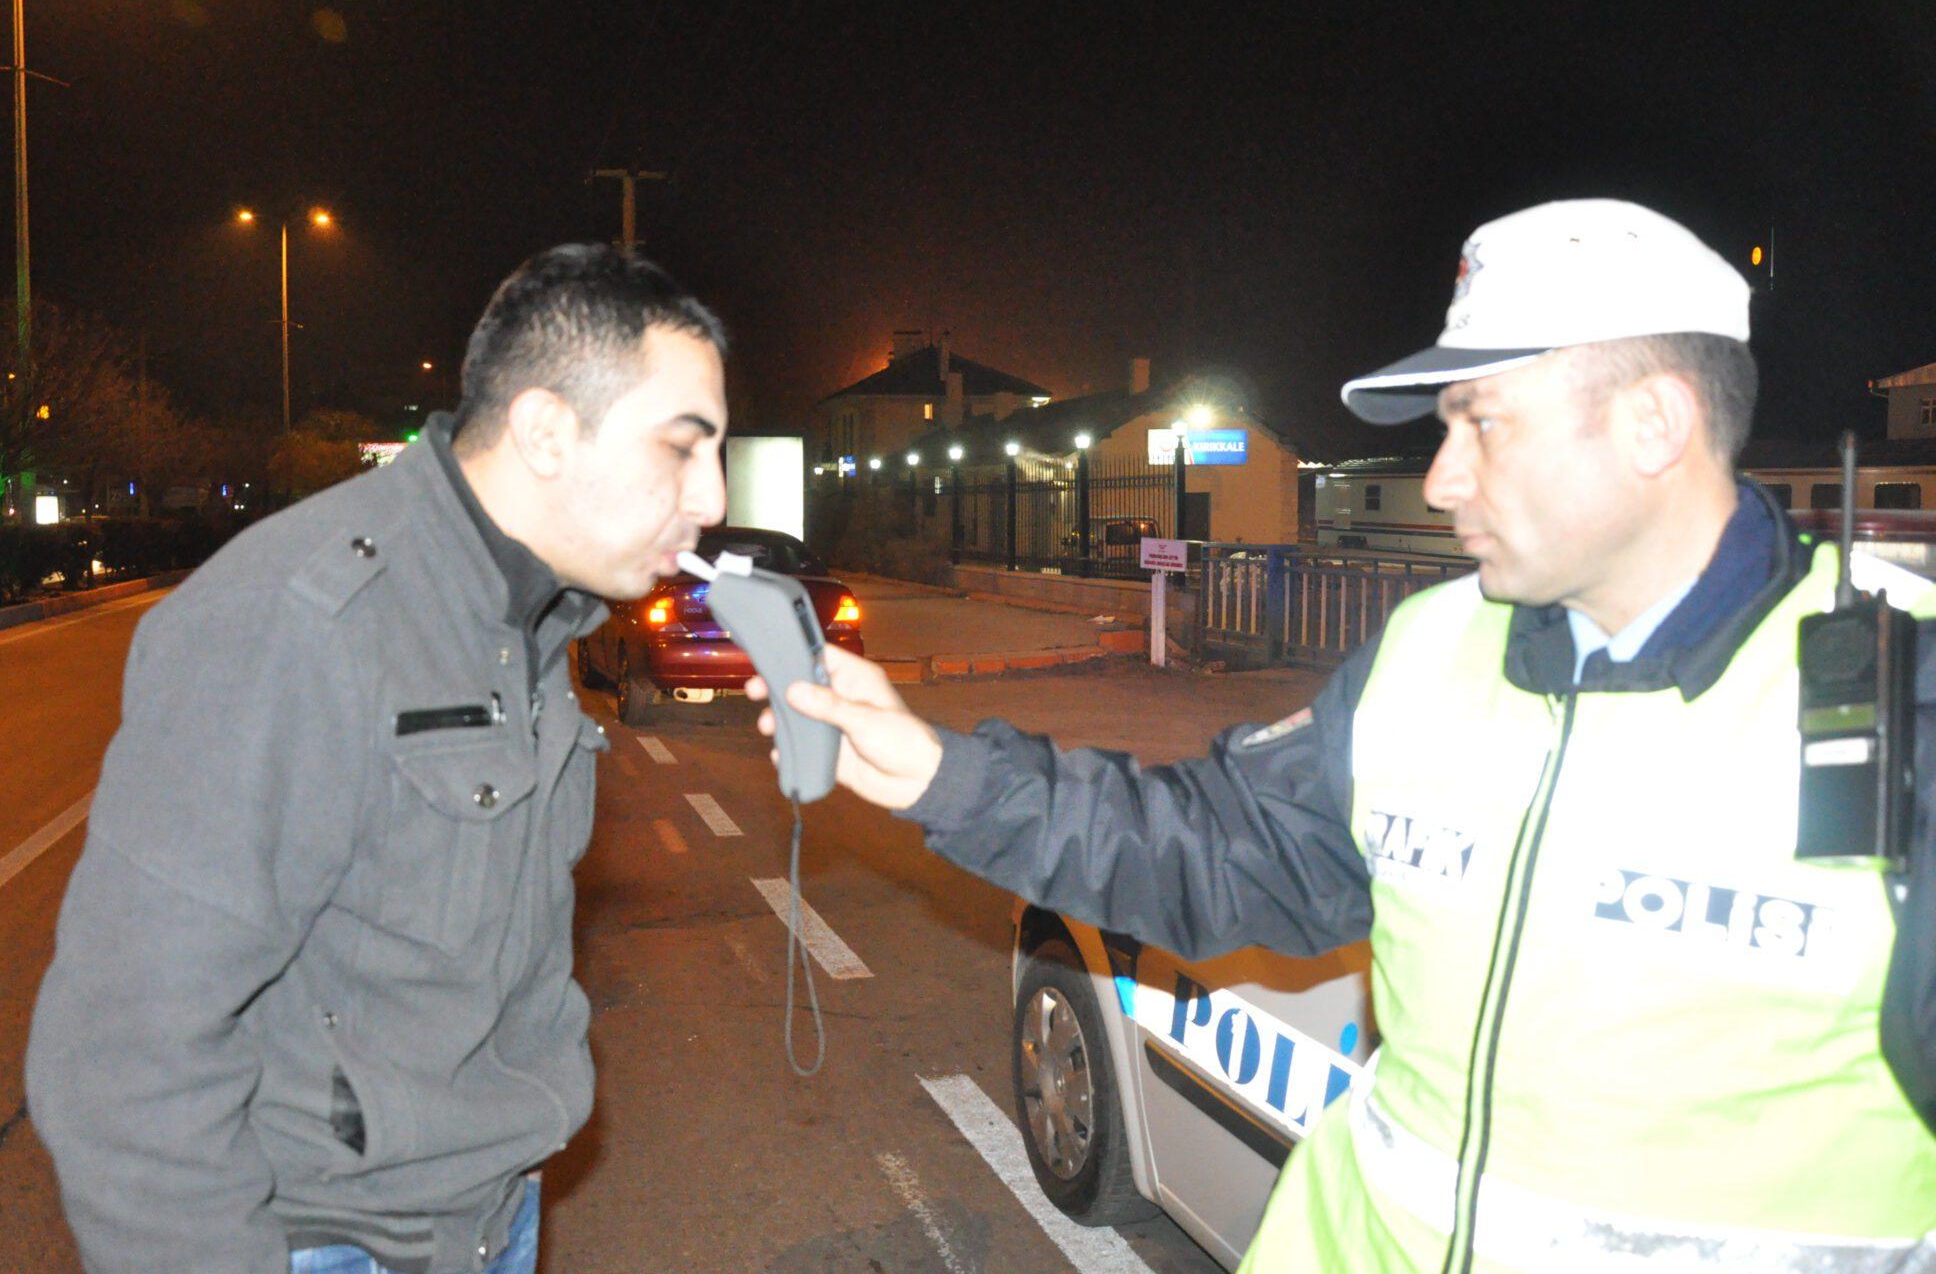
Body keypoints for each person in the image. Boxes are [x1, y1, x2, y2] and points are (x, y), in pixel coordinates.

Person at [756, 199, 1936, 1271]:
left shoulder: (1902, 703)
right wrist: (943, 774)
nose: (1436, 480)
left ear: (1652, 423)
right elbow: (1213, 850)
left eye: (1480, 424)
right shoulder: (1433, 649)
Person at [27, 244, 728, 1274]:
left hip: (489, 1216)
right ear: (543, 431)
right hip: (334, 1245)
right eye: (682, 447)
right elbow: (123, 1055)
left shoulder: (527, 619)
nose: (709, 496)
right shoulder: (297, 617)